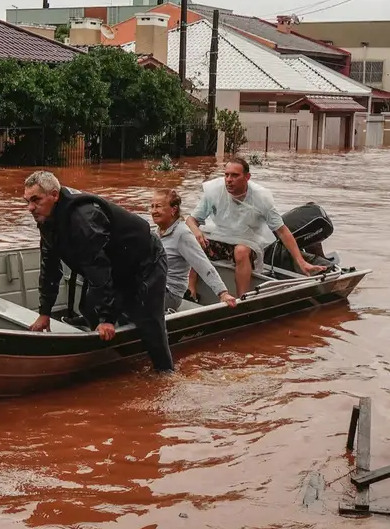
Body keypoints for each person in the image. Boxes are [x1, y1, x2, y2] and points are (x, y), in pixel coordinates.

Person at [23, 171, 173, 373]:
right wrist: (45, 313)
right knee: (88, 307)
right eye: (27, 201)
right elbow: (49, 268)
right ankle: (114, 362)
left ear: (55, 195)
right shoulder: (46, 219)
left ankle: (165, 374)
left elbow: (98, 268)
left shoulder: (84, 218)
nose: (30, 208)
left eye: (36, 200)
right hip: (115, 266)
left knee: (149, 320)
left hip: (146, 262)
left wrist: (107, 319)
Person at [184, 159, 327, 297]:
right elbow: (191, 219)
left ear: (247, 177)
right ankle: (190, 290)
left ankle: (243, 298)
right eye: (226, 175)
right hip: (220, 237)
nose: (229, 179)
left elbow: (282, 231)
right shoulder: (215, 191)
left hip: (247, 242)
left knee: (241, 250)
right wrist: (196, 231)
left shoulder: (261, 198)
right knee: (193, 240)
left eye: (235, 175)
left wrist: (301, 262)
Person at [149, 189, 238, 312]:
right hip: (155, 286)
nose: (153, 211)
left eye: (158, 206)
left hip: (170, 294)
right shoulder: (157, 232)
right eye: (152, 206)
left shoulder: (182, 234)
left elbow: (203, 264)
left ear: (174, 210)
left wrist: (222, 293)